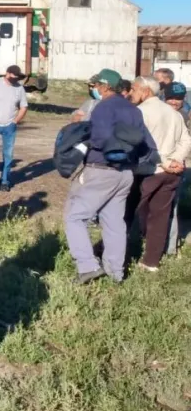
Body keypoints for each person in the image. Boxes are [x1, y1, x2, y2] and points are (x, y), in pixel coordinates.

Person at [64, 69, 152, 284]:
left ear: (104, 86)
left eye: (96, 85)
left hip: (101, 170)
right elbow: (147, 146)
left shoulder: (103, 107)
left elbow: (101, 139)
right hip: (125, 174)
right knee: (114, 223)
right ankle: (115, 273)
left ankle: (87, 266)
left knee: (75, 217)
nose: (94, 89)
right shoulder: (134, 110)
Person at [127, 78, 190, 271]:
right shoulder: (173, 114)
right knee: (160, 217)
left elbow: (143, 146)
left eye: (134, 89)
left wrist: (165, 162)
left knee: (126, 214)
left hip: (148, 172)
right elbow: (186, 140)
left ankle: (112, 253)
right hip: (171, 173)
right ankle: (151, 262)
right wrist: (176, 161)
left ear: (145, 91)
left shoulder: (140, 113)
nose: (131, 93)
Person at [162, 82, 190, 256]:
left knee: (172, 207)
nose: (174, 101)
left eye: (178, 98)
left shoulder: (185, 115)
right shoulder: (156, 113)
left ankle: (170, 248)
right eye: (171, 97)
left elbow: (186, 142)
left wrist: (177, 160)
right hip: (155, 164)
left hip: (175, 166)